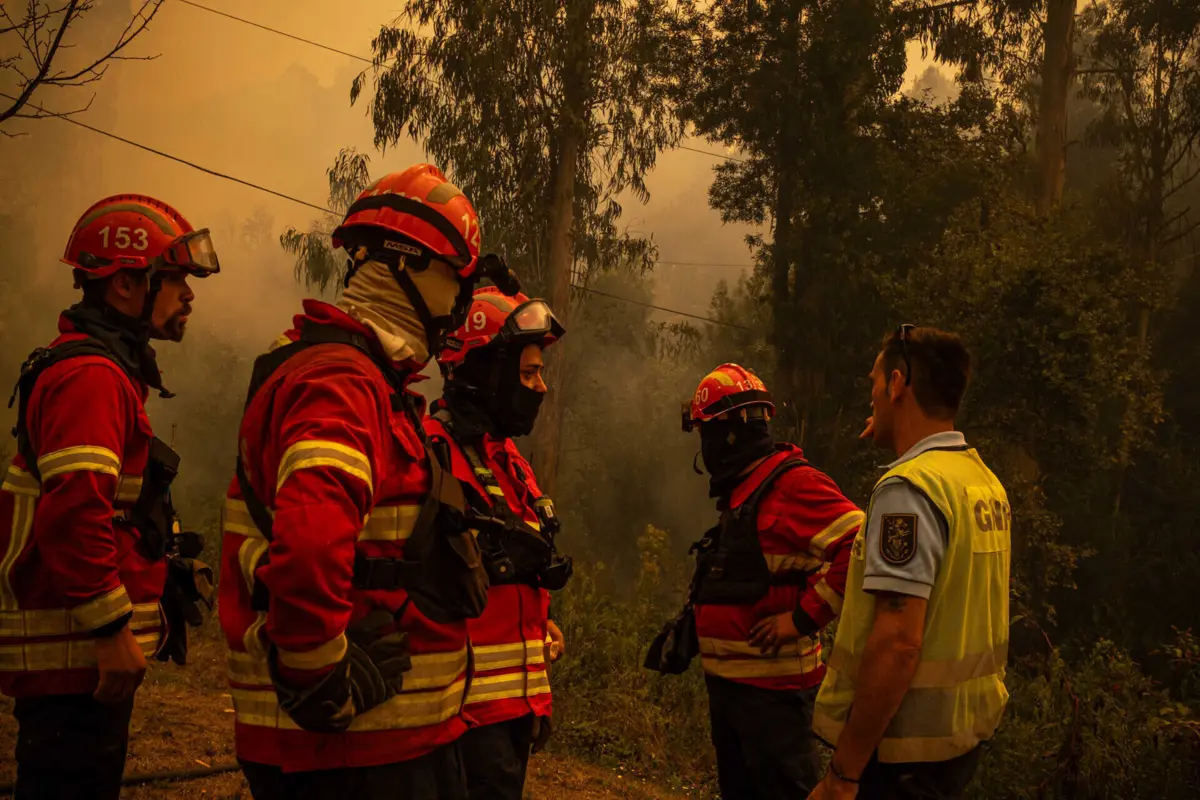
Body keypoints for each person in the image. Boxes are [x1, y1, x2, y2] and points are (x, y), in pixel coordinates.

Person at [218, 164, 523, 800]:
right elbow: (307, 547)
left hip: (379, 745)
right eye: (455, 278)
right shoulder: (343, 384)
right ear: (406, 266)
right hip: (355, 754)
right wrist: (320, 675)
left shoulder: (364, 382)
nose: (461, 302)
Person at [0, 194, 220, 800]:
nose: (190, 295)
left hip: (72, 660)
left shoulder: (104, 371)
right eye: (175, 280)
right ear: (126, 284)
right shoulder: (92, 378)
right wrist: (112, 630)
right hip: (72, 658)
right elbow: (74, 515)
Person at [809, 325, 1011, 800]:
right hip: (958, 744)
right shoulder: (981, 482)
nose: (872, 399)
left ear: (898, 384)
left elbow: (898, 642)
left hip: (900, 758)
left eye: (875, 386)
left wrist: (843, 773)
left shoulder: (909, 490)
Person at [678, 363, 865, 798]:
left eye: (705, 433)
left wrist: (801, 619)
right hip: (731, 692)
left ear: (725, 434)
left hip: (774, 699)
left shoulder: (793, 484)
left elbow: (861, 542)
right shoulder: (747, 490)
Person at [425, 286, 573, 800]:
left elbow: (511, 564)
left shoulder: (507, 460)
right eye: (529, 374)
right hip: (463, 715)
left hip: (515, 708)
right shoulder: (433, 453)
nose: (541, 388)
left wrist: (542, 620)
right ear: (488, 372)